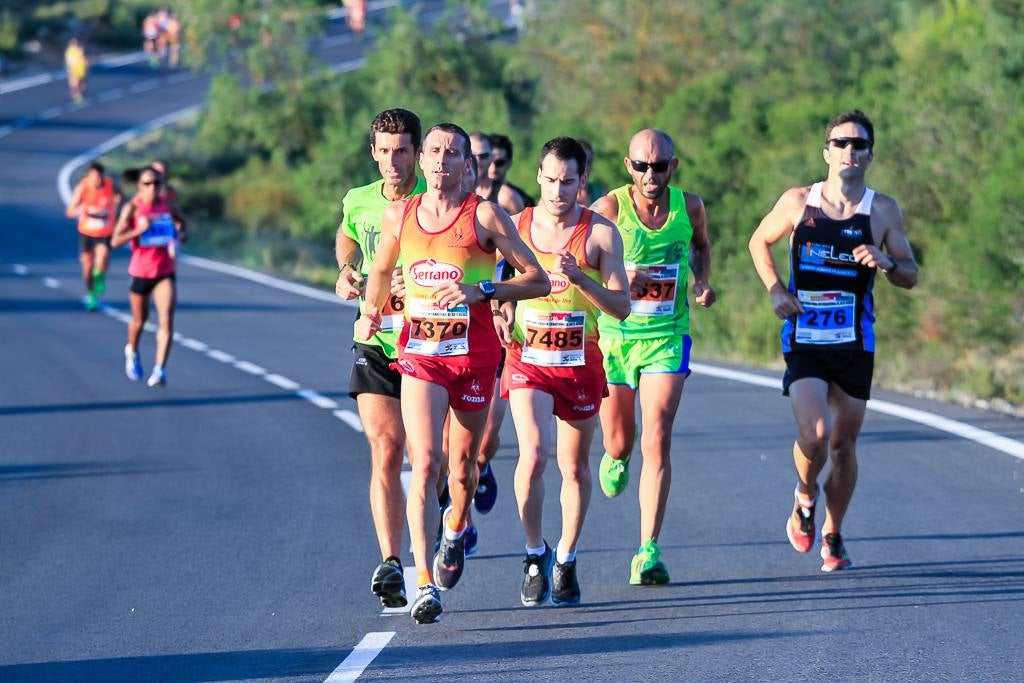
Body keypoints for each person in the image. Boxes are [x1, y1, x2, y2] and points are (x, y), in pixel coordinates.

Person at [356, 122, 549, 624]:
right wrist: (370, 312)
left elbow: (537, 279)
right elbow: (379, 271)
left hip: (475, 359)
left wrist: (481, 292)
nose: (442, 161)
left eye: (454, 153)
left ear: (468, 165)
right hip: (421, 354)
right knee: (424, 462)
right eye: (435, 151)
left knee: (462, 468)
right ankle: (424, 584)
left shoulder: (483, 215)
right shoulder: (401, 214)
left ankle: (456, 529)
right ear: (421, 159)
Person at [748, 109, 918, 571]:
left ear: (869, 155)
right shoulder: (798, 202)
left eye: (859, 144)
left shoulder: (882, 211)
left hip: (855, 341)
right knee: (816, 434)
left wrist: (885, 261)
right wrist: (776, 290)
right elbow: (757, 243)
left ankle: (834, 532)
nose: (849, 151)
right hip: (805, 336)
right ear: (826, 152)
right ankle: (804, 498)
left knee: (843, 446)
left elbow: (910, 274)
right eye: (841, 143)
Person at [505, 137, 630, 606]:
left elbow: (622, 307)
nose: (558, 192)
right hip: (527, 359)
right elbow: (500, 282)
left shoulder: (600, 234)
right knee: (534, 455)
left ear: (583, 183)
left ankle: (567, 558)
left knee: (573, 468)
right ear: (538, 176)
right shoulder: (516, 226)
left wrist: (582, 280)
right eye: (551, 181)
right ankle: (534, 554)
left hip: (579, 361)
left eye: (569, 182)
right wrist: (500, 311)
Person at [591, 128, 716, 585]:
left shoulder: (690, 207)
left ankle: (647, 550)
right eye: (641, 165)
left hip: (667, 334)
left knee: (657, 434)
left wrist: (701, 283)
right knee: (621, 442)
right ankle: (615, 455)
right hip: (616, 339)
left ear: (672, 167)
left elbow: (702, 247)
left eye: (659, 166)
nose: (650, 174)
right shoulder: (608, 210)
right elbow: (581, 262)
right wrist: (626, 276)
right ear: (628, 167)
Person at [335, 108, 427, 608]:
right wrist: (347, 270)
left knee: (430, 462)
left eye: (402, 151)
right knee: (386, 449)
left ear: (417, 153)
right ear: (373, 151)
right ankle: (393, 563)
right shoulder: (359, 199)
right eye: (384, 150)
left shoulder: (433, 205)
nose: (393, 161)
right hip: (375, 337)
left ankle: (440, 533)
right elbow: (347, 234)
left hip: (430, 343)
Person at [112, 166, 187, 387]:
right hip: (141, 272)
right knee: (139, 320)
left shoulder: (169, 206)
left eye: (157, 183)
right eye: (147, 184)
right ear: (139, 186)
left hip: (164, 271)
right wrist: (138, 230)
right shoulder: (132, 208)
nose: (152, 188)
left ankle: (159, 369)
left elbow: (184, 230)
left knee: (166, 319)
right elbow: (115, 241)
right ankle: (132, 351)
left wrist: (180, 232)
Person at [66, 161, 121, 310]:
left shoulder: (109, 184)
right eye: (93, 177)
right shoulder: (82, 187)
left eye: (99, 177)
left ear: (103, 176)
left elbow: (119, 196)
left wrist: (116, 206)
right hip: (87, 232)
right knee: (87, 266)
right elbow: (70, 211)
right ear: (88, 177)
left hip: (105, 231)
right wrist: (82, 208)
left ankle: (100, 275)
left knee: (102, 258)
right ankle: (91, 294)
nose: (97, 181)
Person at [488, 133, 534, 213]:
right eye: (489, 161)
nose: (493, 168)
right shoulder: (470, 190)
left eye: (499, 163)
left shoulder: (523, 200)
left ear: (509, 163)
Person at [64, 37, 88, 103]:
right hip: (75, 69)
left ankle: (79, 96)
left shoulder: (77, 50)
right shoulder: (71, 51)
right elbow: (69, 62)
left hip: (80, 69)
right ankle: (77, 96)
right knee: (76, 84)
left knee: (80, 83)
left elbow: (84, 59)